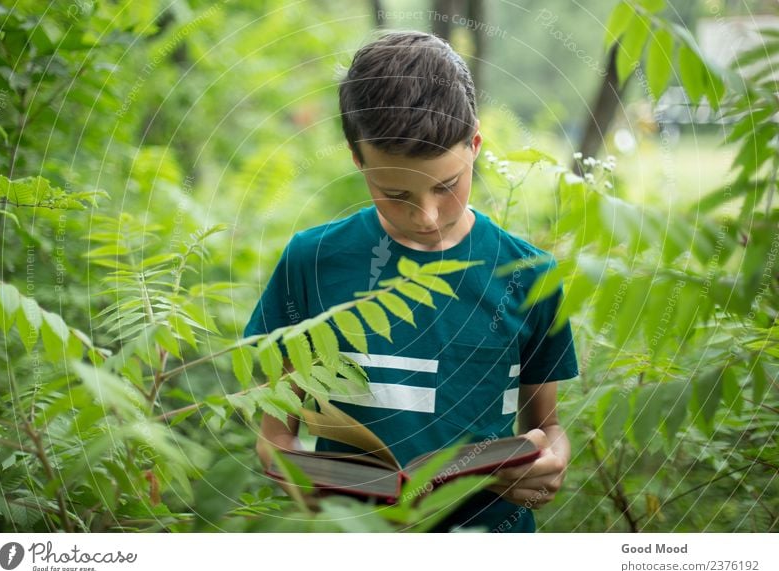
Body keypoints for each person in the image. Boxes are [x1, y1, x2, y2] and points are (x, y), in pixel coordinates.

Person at [245, 30, 579, 532]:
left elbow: (545, 427)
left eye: (447, 186)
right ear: (357, 159)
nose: (425, 215)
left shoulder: (528, 275)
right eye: (394, 191)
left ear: (476, 145)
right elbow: (276, 438)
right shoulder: (310, 263)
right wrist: (299, 477)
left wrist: (549, 462)